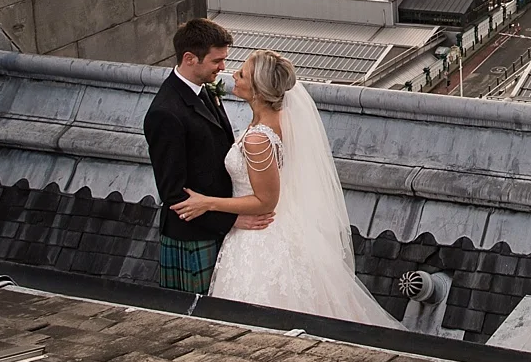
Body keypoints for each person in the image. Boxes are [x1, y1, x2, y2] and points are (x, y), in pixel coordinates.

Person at [169, 48, 402, 328]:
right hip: (271, 228)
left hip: (260, 236)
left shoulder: (258, 139)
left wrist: (208, 203)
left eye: (241, 74)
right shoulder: (272, 124)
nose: (233, 75)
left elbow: (266, 201)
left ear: (257, 89)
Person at [143, 20, 271, 294]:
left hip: (214, 226)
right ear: (190, 58)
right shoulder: (165, 113)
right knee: (199, 319)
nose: (223, 68)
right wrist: (232, 219)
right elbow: (173, 194)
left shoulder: (204, 90)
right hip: (192, 237)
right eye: (217, 60)